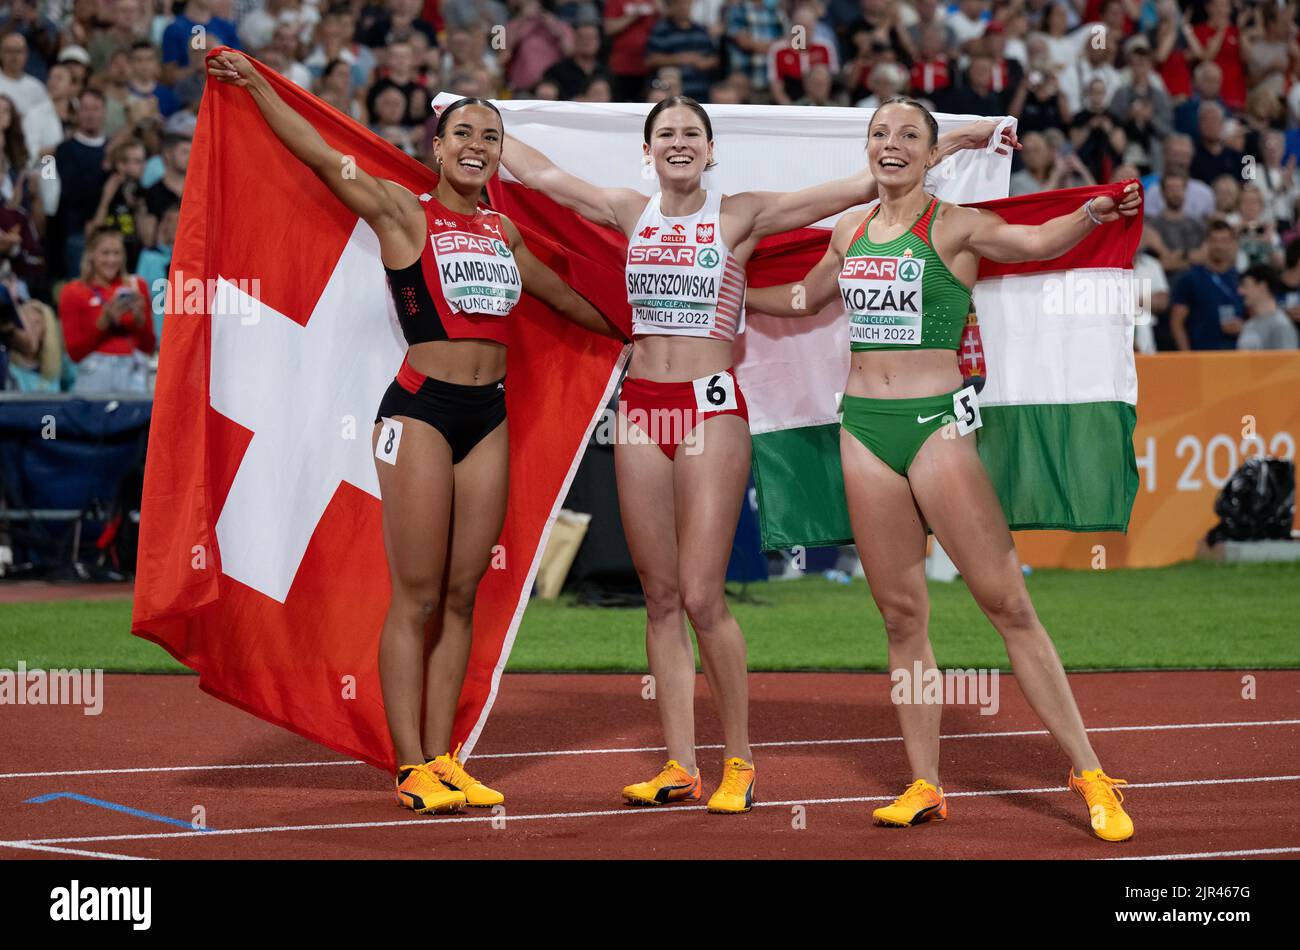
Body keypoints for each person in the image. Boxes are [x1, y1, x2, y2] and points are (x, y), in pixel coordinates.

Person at [500, 93, 1013, 814]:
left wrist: (953, 142)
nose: (679, 142)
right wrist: (476, 120)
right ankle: (680, 764)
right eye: (666, 134)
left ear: (711, 151)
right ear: (647, 153)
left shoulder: (739, 214)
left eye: (692, 134)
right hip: (641, 407)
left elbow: (862, 184)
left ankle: (738, 759)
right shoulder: (626, 209)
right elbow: (544, 177)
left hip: (711, 407)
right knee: (660, 596)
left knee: (705, 596)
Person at [207, 49, 622, 815]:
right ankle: (407, 766)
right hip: (419, 413)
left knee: (465, 592)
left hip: (487, 416)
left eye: (490, 137)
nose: (477, 145)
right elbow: (324, 159)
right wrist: (261, 85)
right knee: (419, 595)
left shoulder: (505, 232)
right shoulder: (403, 211)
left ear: (501, 154)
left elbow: (567, 302)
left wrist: (641, 333)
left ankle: (444, 758)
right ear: (437, 146)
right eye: (463, 131)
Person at [746, 95, 1140, 843]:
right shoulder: (850, 228)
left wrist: (1089, 217)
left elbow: (1030, 245)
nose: (889, 144)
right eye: (879, 133)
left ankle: (1089, 771)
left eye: (907, 136)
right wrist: (733, 301)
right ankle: (925, 782)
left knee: (1008, 605)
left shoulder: (954, 224)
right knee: (900, 616)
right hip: (863, 428)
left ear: (933, 155)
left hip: (934, 426)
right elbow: (806, 298)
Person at [59, 227, 155, 394]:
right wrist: (103, 323)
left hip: (133, 371)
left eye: (117, 253)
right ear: (91, 255)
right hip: (94, 374)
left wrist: (140, 321)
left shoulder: (137, 286)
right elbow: (74, 352)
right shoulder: (73, 291)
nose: (111, 260)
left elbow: (148, 346)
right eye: (105, 253)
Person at [1169, 216, 1242, 351]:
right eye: (1214, 240)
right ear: (1206, 243)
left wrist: (1243, 326)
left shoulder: (1241, 278)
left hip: (1236, 356)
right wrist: (1187, 357)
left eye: (1224, 240)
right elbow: (1177, 322)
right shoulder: (1190, 278)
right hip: (1201, 357)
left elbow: (1253, 315)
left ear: (1233, 244)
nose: (1219, 246)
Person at [1237, 264, 1298, 351]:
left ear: (1262, 286)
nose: (1240, 291)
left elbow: (1287, 363)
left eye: (1245, 286)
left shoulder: (1281, 325)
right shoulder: (1249, 324)